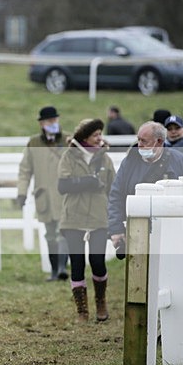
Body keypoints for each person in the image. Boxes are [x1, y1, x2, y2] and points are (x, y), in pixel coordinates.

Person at [107, 121, 183, 253]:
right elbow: (116, 195)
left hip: (174, 232)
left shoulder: (181, 162)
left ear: (159, 141)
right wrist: (116, 229)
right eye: (138, 139)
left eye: (144, 141)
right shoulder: (129, 162)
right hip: (137, 231)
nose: (139, 145)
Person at [57, 119, 116, 323]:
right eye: (95, 135)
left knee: (97, 261)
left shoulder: (105, 160)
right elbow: (63, 185)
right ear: (84, 138)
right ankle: (82, 310)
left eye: (101, 133)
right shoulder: (69, 157)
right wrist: (86, 182)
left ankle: (101, 300)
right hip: (73, 217)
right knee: (77, 263)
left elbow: (112, 189)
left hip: (99, 217)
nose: (100, 138)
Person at [17, 106, 69, 282]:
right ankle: (54, 270)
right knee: (50, 234)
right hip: (44, 196)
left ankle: (62, 268)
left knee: (64, 232)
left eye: (55, 120)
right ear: (41, 123)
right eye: (49, 121)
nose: (53, 123)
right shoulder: (34, 143)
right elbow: (25, 170)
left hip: (65, 195)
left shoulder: (68, 140)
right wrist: (21, 193)